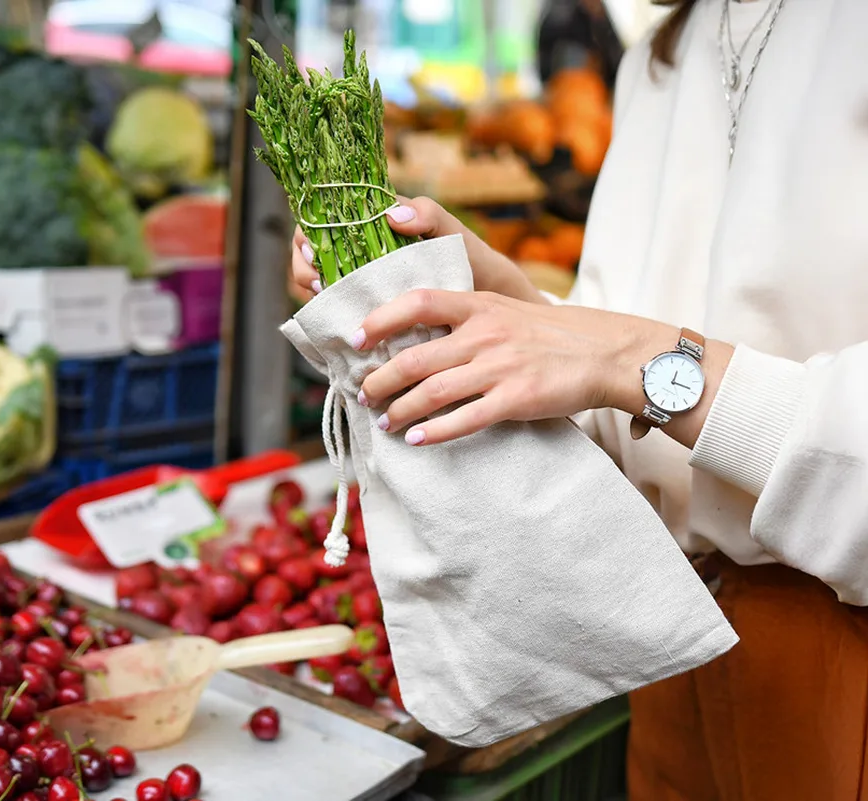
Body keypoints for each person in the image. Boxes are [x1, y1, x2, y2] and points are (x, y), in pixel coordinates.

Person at [289, 0, 868, 798]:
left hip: (844, 651)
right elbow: (627, 401)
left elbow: (639, 363)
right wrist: (510, 305)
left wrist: (630, 357)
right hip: (677, 628)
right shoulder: (664, 54)